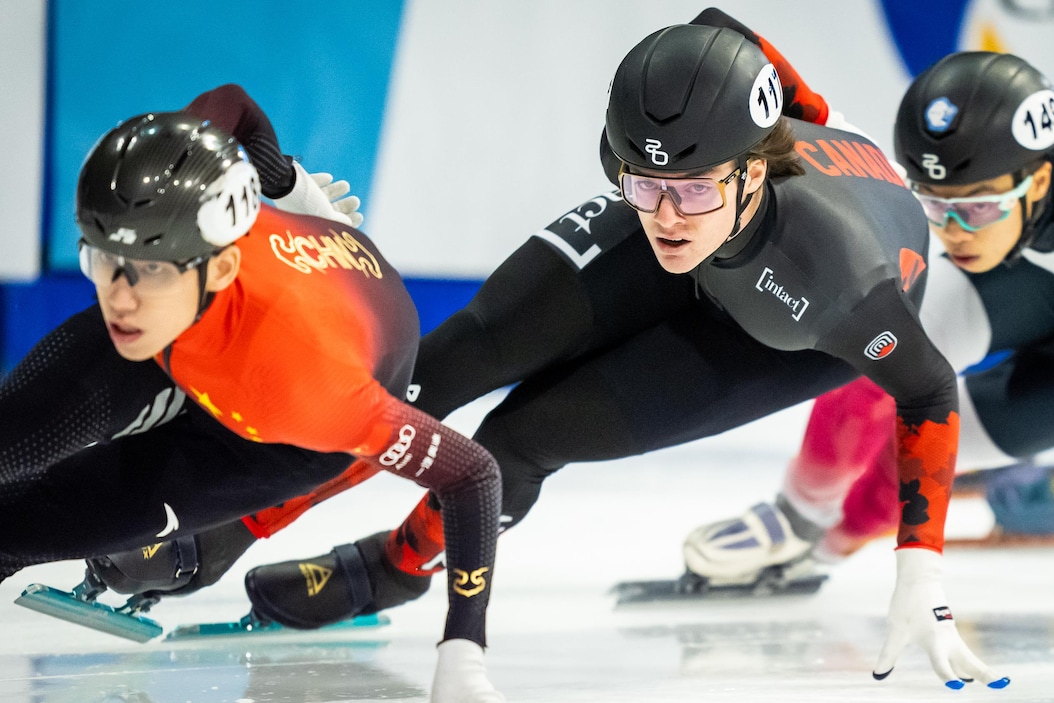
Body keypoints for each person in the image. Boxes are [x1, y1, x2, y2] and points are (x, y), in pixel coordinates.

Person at [229, 10, 1011, 690]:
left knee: (521, 438)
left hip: (787, 325)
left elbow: (929, 388)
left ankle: (390, 569)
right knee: (441, 365)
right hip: (749, 210)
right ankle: (230, 524)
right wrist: (681, 179)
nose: (668, 216)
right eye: (641, 181)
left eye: (694, 188)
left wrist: (922, 569)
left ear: (751, 169)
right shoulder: (673, 175)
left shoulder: (836, 272)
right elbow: (723, 32)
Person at [0, 85, 505, 703]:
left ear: (220, 267)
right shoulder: (160, 240)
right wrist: (291, 187)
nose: (120, 298)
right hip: (207, 319)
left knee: (30, 529)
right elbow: (231, 104)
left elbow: (473, 475)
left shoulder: (319, 387)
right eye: (102, 260)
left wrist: (463, 651)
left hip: (277, 416)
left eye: (150, 270)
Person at [681, 49, 1054, 581]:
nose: (953, 232)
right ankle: (796, 519)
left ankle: (830, 550)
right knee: (878, 350)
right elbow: (801, 98)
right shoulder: (990, 184)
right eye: (934, 203)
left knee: (926, 452)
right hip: (1034, 260)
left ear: (1040, 180)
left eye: (973, 207)